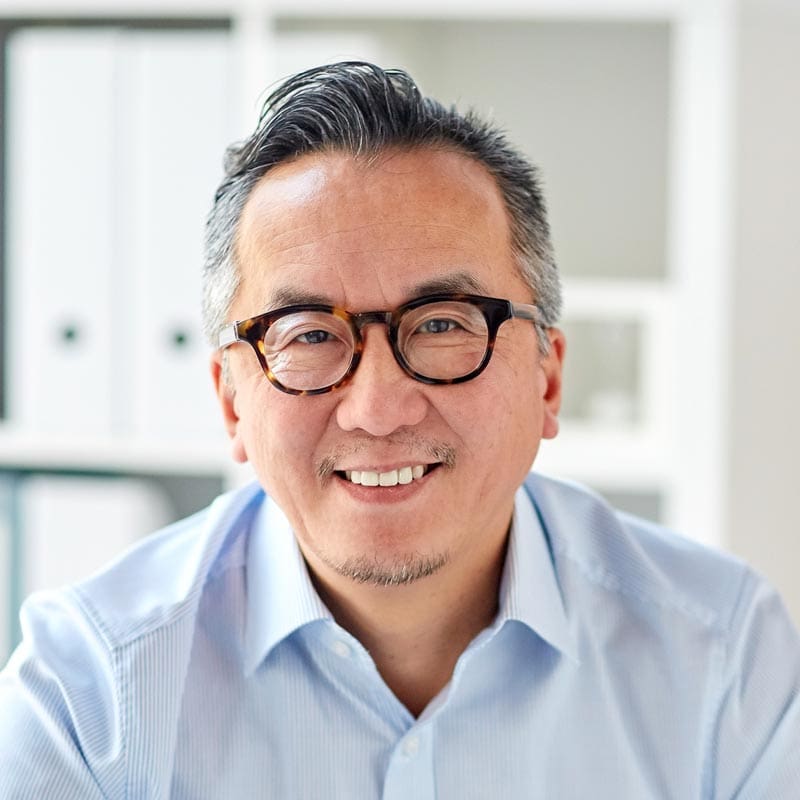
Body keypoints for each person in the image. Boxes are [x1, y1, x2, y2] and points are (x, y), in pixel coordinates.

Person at [1, 61, 799, 799]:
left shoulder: (725, 657)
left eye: (445, 323)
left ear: (548, 379)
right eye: (309, 333)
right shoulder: (88, 693)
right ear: (232, 403)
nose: (378, 408)